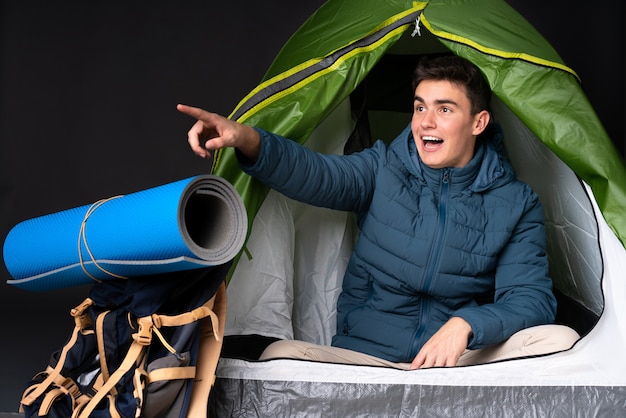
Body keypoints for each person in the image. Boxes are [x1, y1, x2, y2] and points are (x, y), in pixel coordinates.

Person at [177, 55, 579, 369]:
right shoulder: (384, 168)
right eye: (420, 107)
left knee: (557, 339)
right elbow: (315, 173)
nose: (425, 123)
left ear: (479, 122)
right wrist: (247, 138)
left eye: (444, 109)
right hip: (368, 360)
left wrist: (467, 325)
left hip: (456, 364)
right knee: (280, 355)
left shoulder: (514, 201)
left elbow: (530, 300)